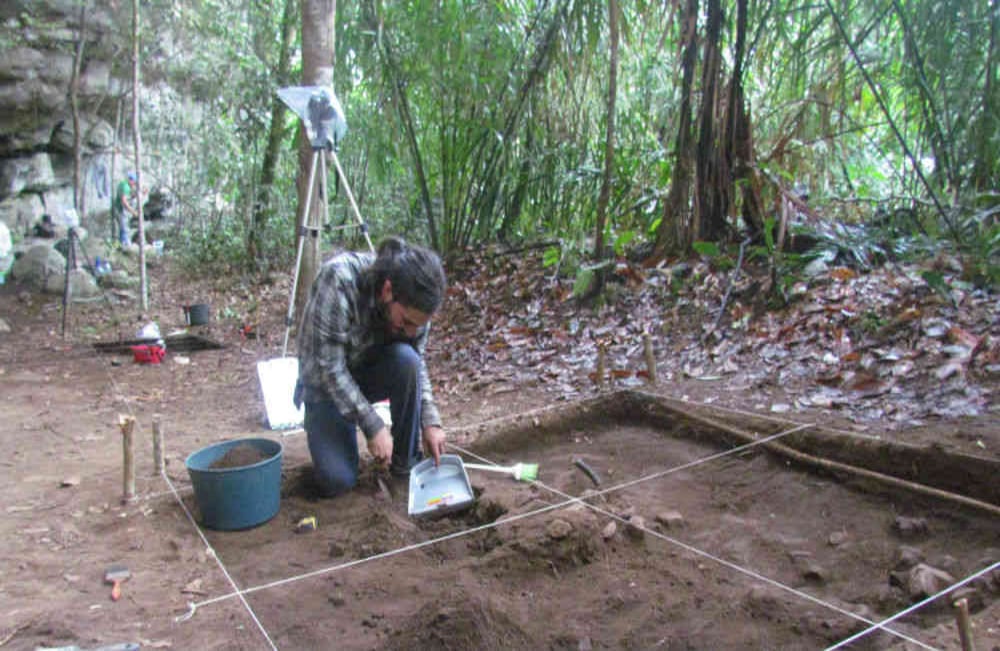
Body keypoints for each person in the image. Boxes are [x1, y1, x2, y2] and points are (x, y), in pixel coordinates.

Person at [294, 236, 448, 497]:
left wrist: (430, 421)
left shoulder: (418, 308)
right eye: (406, 322)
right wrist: (373, 425)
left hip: (368, 375)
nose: (411, 332)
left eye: (418, 326)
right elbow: (330, 369)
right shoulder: (339, 281)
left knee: (406, 360)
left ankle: (405, 468)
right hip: (325, 387)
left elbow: (416, 364)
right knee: (338, 481)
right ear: (388, 291)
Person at [112, 172, 139, 245]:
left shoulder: (123, 183)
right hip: (120, 209)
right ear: (131, 180)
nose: (134, 185)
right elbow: (124, 201)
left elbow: (129, 195)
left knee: (121, 228)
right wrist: (133, 212)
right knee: (124, 228)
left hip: (117, 207)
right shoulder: (126, 187)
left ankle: (121, 243)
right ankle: (126, 245)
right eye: (134, 183)